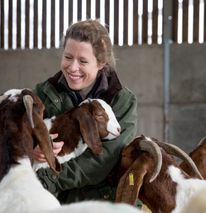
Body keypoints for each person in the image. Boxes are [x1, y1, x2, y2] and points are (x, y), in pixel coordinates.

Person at [33, 19, 138, 204]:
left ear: (101, 63)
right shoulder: (43, 93)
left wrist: (47, 179)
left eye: (83, 61)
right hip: (53, 200)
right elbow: (15, 133)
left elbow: (103, 159)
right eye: (67, 57)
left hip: (102, 199)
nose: (72, 67)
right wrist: (33, 145)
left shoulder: (121, 101)